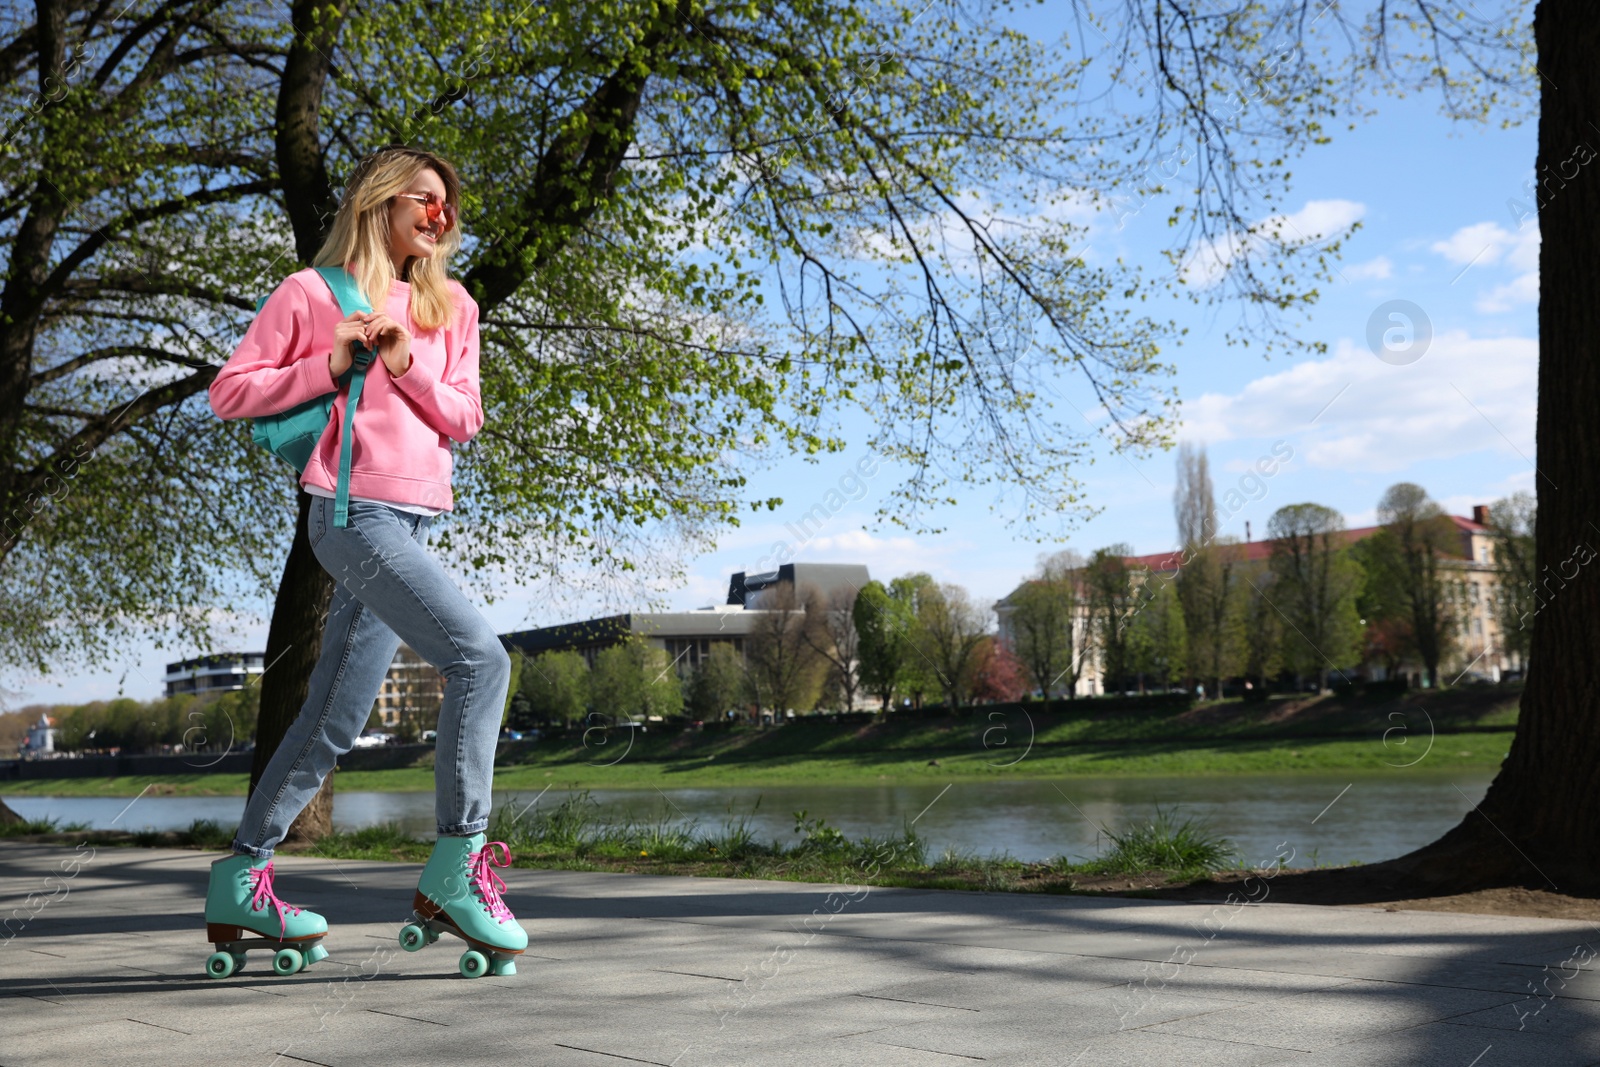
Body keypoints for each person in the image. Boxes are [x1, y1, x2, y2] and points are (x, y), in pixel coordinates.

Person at [203, 145, 526, 977]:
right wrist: (332, 358)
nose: (439, 216)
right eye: (425, 200)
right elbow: (230, 390)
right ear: (380, 202)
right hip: (350, 518)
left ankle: (243, 876)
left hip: (410, 525)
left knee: (333, 718)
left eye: (448, 206)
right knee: (480, 660)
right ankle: (458, 867)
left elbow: (464, 417)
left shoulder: (452, 305)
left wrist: (403, 363)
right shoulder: (314, 294)